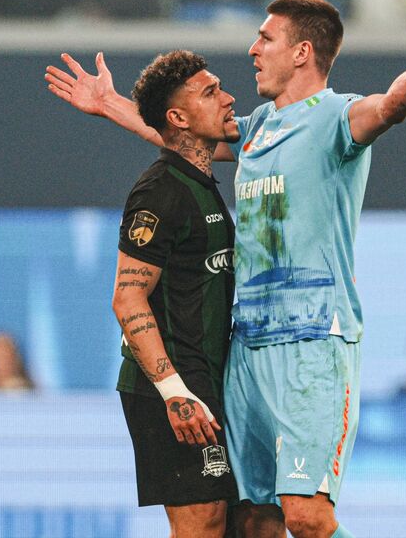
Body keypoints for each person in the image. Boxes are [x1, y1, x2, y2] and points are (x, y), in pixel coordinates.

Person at [45, 0, 406, 538]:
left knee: (307, 517)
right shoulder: (257, 127)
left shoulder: (336, 116)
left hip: (313, 342)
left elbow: (388, 108)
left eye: (266, 38)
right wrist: (111, 104)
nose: (252, 49)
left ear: (302, 52)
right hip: (246, 349)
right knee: (253, 520)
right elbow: (181, 135)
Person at [90, 50, 240, 537]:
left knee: (232, 522)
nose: (228, 98)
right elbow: (127, 299)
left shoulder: (200, 177)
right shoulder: (159, 192)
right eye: (210, 92)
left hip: (207, 374)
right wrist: (174, 392)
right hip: (171, 385)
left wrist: (114, 107)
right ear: (179, 118)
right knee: (202, 521)